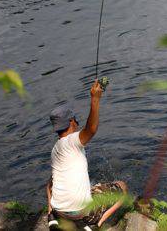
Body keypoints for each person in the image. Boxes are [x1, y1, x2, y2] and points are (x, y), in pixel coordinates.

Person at [46, 80, 127, 229]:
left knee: (91, 187)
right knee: (122, 186)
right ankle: (97, 223)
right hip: (82, 213)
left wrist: (50, 208)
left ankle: (52, 217)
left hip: (59, 211)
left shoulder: (55, 149)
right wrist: (95, 99)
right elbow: (91, 129)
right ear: (72, 122)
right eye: (76, 120)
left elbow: (49, 185)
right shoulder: (72, 142)